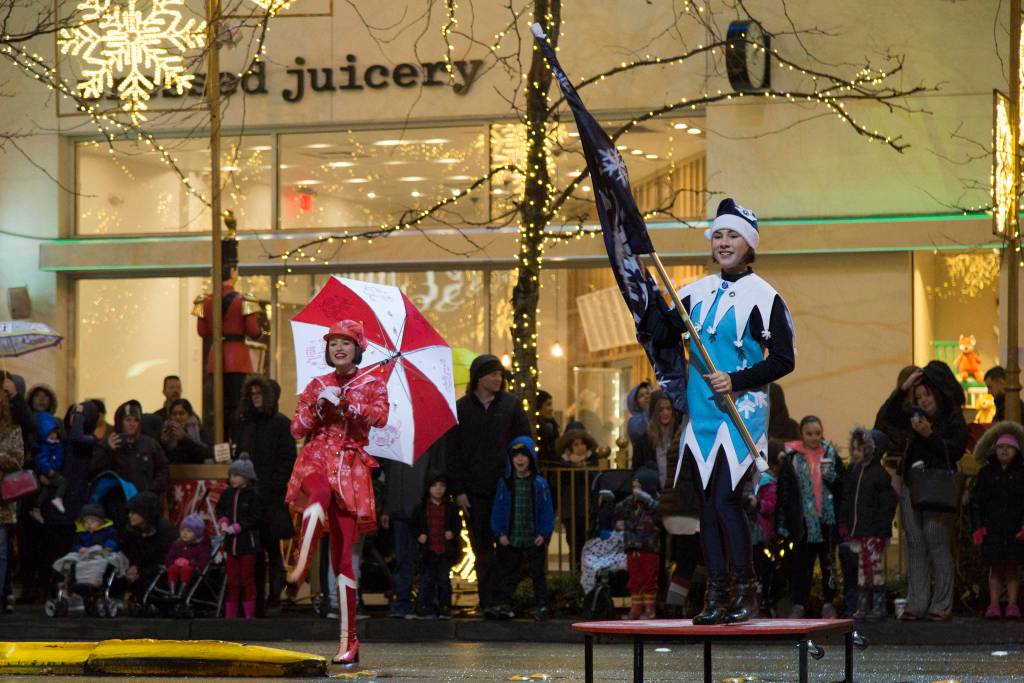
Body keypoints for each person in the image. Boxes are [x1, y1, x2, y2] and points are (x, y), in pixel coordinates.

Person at [645, 198, 795, 624]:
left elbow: (784, 359)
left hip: (740, 411)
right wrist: (643, 291)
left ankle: (746, 591)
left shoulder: (765, 297)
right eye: (719, 235)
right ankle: (715, 595)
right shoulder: (694, 292)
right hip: (702, 414)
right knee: (708, 505)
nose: (724, 242)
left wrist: (738, 378)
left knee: (728, 500)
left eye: (733, 236)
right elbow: (660, 331)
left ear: (749, 244)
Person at [286, 319, 388, 665]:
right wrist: (319, 406)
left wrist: (347, 406)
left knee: (343, 558)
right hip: (317, 457)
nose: (339, 349)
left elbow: (381, 417)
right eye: (333, 344)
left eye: (346, 343)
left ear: (358, 348)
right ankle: (301, 563)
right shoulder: (317, 384)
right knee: (316, 497)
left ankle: (350, 642)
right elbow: (296, 427)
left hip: (351, 469)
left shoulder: (373, 383)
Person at [879, 360, 967, 621]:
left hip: (939, 487)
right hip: (912, 484)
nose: (923, 400)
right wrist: (902, 389)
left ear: (939, 392)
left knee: (936, 541)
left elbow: (956, 450)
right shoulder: (915, 416)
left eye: (927, 394)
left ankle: (941, 604)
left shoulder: (953, 417)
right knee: (915, 543)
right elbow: (888, 416)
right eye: (918, 396)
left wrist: (930, 435)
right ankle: (916, 604)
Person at [447, 353, 531, 619]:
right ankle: (487, 601)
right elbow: (453, 454)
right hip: (473, 492)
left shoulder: (512, 405)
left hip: (506, 489)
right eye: (493, 374)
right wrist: (458, 490)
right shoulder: (461, 409)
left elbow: (525, 442)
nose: (498, 379)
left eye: (500, 375)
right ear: (479, 377)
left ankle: (504, 599)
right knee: (481, 546)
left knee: (508, 546)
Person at [633, 391, 701, 617]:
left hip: (675, 503)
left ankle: (677, 604)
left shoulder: (679, 435)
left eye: (668, 409)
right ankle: (670, 604)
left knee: (685, 557)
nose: (664, 413)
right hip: (667, 504)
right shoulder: (647, 439)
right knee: (664, 557)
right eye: (660, 409)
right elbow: (638, 471)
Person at [234, 375, 296, 616]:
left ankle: (274, 598)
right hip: (251, 495)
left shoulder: (281, 423)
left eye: (260, 394)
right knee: (253, 550)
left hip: (270, 496)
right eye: (253, 394)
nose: (256, 398)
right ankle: (256, 598)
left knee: (272, 548)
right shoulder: (245, 423)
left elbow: (287, 459)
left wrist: (273, 485)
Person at [193, 225, 262, 437]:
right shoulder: (243, 299)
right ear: (233, 272)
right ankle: (236, 442)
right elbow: (253, 331)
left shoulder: (206, 300)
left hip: (217, 357)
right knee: (238, 405)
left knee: (217, 406)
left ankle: (219, 443)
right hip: (238, 358)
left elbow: (203, 332)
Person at [778, 416, 843, 618]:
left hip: (827, 522)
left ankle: (829, 603)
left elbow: (843, 488)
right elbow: (784, 493)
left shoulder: (831, 456)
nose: (814, 438)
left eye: (817, 433)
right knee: (801, 566)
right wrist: (782, 524)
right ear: (801, 434)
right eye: (809, 433)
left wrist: (831, 476)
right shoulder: (792, 459)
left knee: (828, 564)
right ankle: (799, 603)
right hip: (802, 523)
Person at [379, 432, 446, 619]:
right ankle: (405, 602)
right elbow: (388, 477)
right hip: (403, 509)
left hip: (419, 511)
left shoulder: (424, 440)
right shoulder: (393, 441)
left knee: (422, 560)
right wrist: (387, 508)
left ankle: (421, 603)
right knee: (404, 559)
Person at [490, 436, 554, 620]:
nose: (519, 459)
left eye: (523, 456)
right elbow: (498, 509)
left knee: (537, 573)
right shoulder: (505, 484)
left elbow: (547, 510)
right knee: (508, 571)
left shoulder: (539, 484)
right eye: (515, 456)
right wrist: (499, 532)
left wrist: (544, 532)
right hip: (511, 536)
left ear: (531, 459)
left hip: (534, 536)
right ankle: (504, 604)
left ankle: (541, 605)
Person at [839, 428, 898, 621]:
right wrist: (846, 525)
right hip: (860, 532)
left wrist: (882, 534)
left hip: (874, 533)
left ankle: (878, 606)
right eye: (853, 448)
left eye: (860, 448)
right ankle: (863, 606)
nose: (855, 452)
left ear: (871, 450)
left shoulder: (880, 475)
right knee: (863, 571)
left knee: (876, 568)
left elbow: (886, 508)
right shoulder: (854, 472)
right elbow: (847, 501)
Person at [969, 422, 1024, 619]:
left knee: (1012, 568)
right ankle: (993, 604)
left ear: (1016, 450)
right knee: (995, 568)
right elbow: (976, 501)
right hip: (993, 528)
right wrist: (978, 527)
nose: (1004, 451)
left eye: (1008, 447)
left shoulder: (1021, 473)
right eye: (1000, 447)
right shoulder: (986, 473)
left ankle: (1012, 604)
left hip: (1014, 528)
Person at [217, 456, 262, 619]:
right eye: (231, 475)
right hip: (231, 545)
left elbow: (255, 517)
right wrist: (223, 522)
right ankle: (231, 616)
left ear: (247, 477)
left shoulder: (253, 495)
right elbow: (221, 509)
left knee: (247, 580)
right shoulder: (227, 494)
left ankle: (249, 616)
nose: (233, 479)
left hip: (247, 545)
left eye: (237, 475)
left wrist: (238, 526)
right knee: (233, 581)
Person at [413, 473, 461, 619]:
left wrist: (452, 532)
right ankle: (425, 607)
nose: (438, 490)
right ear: (428, 488)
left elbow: (457, 524)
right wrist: (419, 534)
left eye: (442, 486)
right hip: (428, 550)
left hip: (444, 550)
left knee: (444, 580)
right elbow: (414, 524)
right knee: (427, 579)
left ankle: (444, 607)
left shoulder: (450, 507)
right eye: (434, 486)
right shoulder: (422, 507)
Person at [615, 467, 661, 620]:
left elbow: (660, 516)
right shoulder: (630, 503)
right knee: (634, 578)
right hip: (632, 547)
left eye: (639, 486)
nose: (636, 490)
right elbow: (618, 510)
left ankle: (649, 609)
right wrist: (609, 503)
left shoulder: (655, 502)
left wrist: (650, 502)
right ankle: (635, 609)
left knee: (648, 578)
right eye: (634, 486)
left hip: (649, 547)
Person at [554, 421, 599, 568]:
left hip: (588, 507)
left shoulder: (594, 459)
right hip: (571, 509)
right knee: (574, 542)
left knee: (589, 542)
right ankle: (575, 574)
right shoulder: (562, 462)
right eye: (575, 444)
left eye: (582, 443)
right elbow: (560, 481)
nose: (580, 447)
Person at [121, 491, 177, 602]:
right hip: (139, 571)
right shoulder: (131, 531)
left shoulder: (166, 531)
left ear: (145, 513)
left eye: (134, 512)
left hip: (160, 574)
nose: (129, 515)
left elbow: (165, 560)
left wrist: (139, 572)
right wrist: (133, 566)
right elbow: (129, 552)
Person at [750, 440, 782, 617]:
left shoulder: (767, 482)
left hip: (761, 535)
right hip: (750, 533)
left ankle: (764, 601)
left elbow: (771, 506)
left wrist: (757, 504)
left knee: (763, 569)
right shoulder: (748, 480)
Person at [0, 392, 25, 614]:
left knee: (2, 550)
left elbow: (18, 460)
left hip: (3, 502)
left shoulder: (12, 431)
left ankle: (2, 594)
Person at [30, 411, 67, 524]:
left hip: (53, 469)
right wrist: (47, 469)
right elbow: (41, 459)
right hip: (50, 471)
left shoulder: (58, 444)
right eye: (49, 433)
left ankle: (36, 509)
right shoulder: (45, 447)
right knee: (62, 483)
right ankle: (58, 498)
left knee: (45, 492)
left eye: (54, 432)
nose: (52, 435)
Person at [164, 513, 212, 596]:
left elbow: (202, 563)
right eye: (183, 530)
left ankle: (181, 593)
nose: (185, 533)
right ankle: (172, 592)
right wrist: (175, 561)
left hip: (193, 572)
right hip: (176, 571)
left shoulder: (202, 547)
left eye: (189, 531)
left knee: (186, 569)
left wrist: (190, 562)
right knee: (172, 568)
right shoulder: (177, 544)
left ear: (197, 534)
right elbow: (168, 559)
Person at [159, 399, 211, 465]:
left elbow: (206, 455)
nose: (177, 417)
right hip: (172, 472)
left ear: (189, 415)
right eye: (174, 414)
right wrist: (163, 443)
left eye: (181, 413)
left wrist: (184, 439)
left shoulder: (199, 430)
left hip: (195, 471)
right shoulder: (166, 430)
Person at [624, 381, 652, 450]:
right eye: (641, 396)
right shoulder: (634, 422)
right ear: (636, 403)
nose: (646, 397)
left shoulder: (659, 413)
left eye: (648, 393)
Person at [535, 390, 561, 465]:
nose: (551, 409)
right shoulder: (537, 429)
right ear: (539, 407)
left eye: (551, 405)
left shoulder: (553, 426)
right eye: (548, 405)